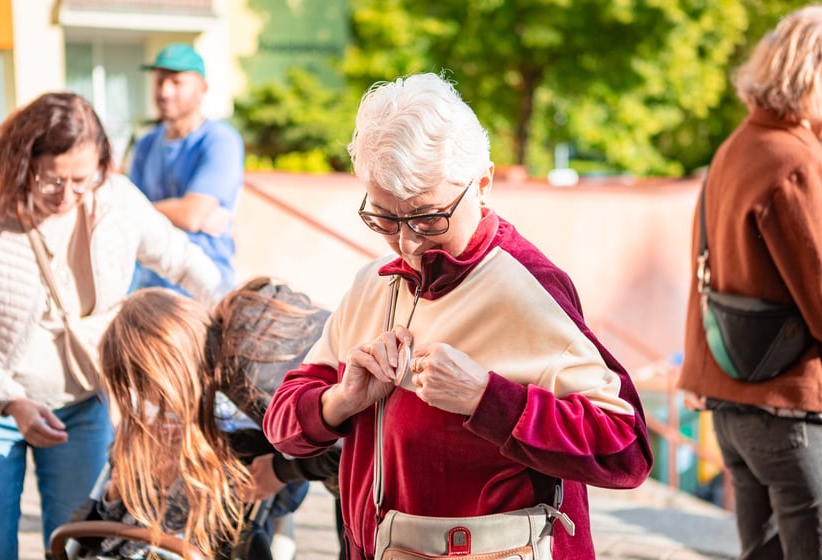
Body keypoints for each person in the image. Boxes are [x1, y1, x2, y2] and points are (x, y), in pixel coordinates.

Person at [263, 72, 653, 559]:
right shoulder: (373, 282)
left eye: (428, 218)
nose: (408, 244)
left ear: (482, 184)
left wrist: (488, 399)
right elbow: (283, 428)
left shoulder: (530, 285)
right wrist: (342, 399)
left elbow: (626, 450)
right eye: (385, 218)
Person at [0, 92, 224, 560]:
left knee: (77, 543)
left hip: (83, 406)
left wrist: (230, 314)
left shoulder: (116, 201)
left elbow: (186, 262)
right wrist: (11, 401)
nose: (69, 196)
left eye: (82, 180)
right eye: (53, 180)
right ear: (21, 162)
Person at [678, 6, 822, 559]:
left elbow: (703, 277)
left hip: (732, 407)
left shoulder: (734, 148)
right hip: (789, 411)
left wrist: (698, 373)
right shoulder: (796, 163)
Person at [93, 280, 339, 559]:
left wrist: (280, 471)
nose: (155, 403)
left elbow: (344, 444)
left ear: (166, 369)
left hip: (378, 462)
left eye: (150, 389)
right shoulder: (243, 326)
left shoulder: (253, 374)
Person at [129, 43, 245, 294]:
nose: (164, 91)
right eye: (159, 81)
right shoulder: (146, 144)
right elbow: (126, 210)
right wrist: (181, 212)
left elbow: (192, 215)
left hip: (205, 289)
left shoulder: (220, 140)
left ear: (202, 88)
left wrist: (142, 211)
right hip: (149, 288)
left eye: (176, 82)